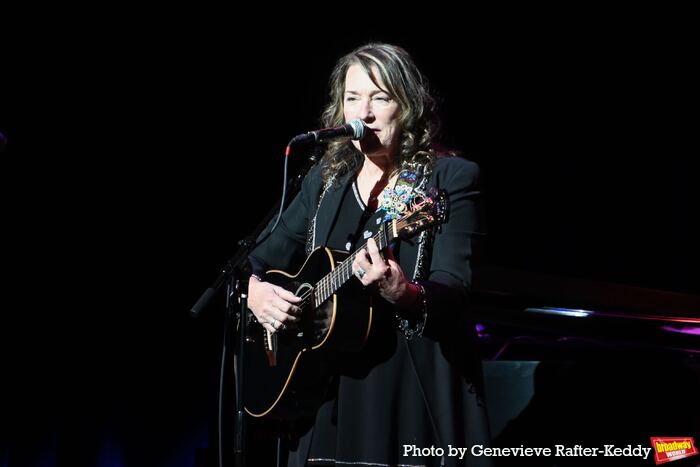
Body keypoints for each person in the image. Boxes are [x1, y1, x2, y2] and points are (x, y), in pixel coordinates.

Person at [247, 43, 491, 467]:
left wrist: (405, 293)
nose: (365, 113)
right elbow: (255, 262)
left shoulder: (446, 178)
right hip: (322, 393)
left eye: (380, 97)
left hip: (404, 394)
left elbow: (456, 288)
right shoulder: (326, 181)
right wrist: (255, 294)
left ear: (408, 105)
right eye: (353, 99)